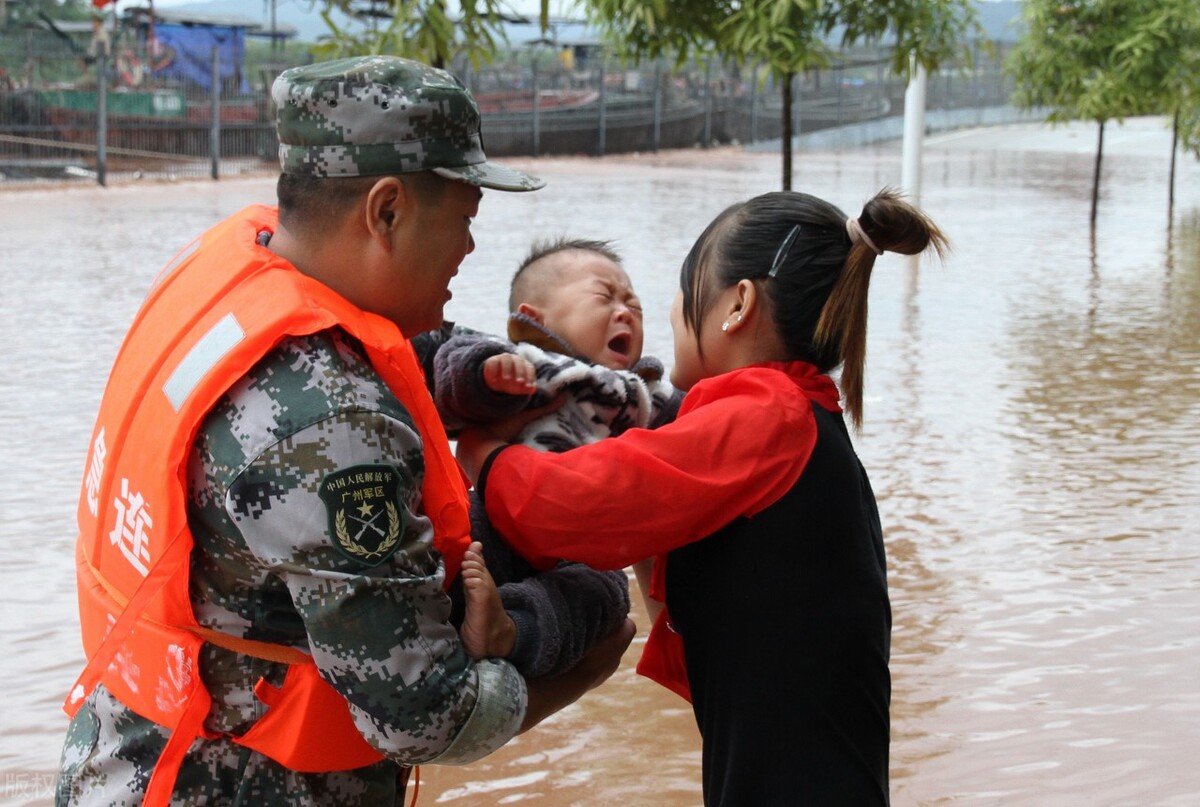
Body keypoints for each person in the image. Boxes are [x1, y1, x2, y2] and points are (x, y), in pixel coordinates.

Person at [56, 55, 632, 807]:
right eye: (463, 219)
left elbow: (395, 354)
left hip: (122, 759)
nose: (469, 249)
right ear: (386, 210)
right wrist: (584, 645)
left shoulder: (233, 272)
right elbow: (429, 714)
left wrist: (488, 381)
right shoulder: (331, 426)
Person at [457, 189, 949, 805]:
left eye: (682, 293)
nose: (664, 313)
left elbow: (575, 506)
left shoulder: (769, 416)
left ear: (737, 305)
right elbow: (707, 635)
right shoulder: (797, 420)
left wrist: (486, 455)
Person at [433, 238, 682, 675]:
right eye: (605, 298)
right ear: (531, 319)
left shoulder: (640, 393)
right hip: (490, 527)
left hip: (573, 552)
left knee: (606, 593)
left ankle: (507, 628)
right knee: (458, 543)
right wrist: (485, 375)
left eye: (634, 305)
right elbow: (450, 376)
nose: (625, 311)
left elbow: (694, 419)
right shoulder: (525, 365)